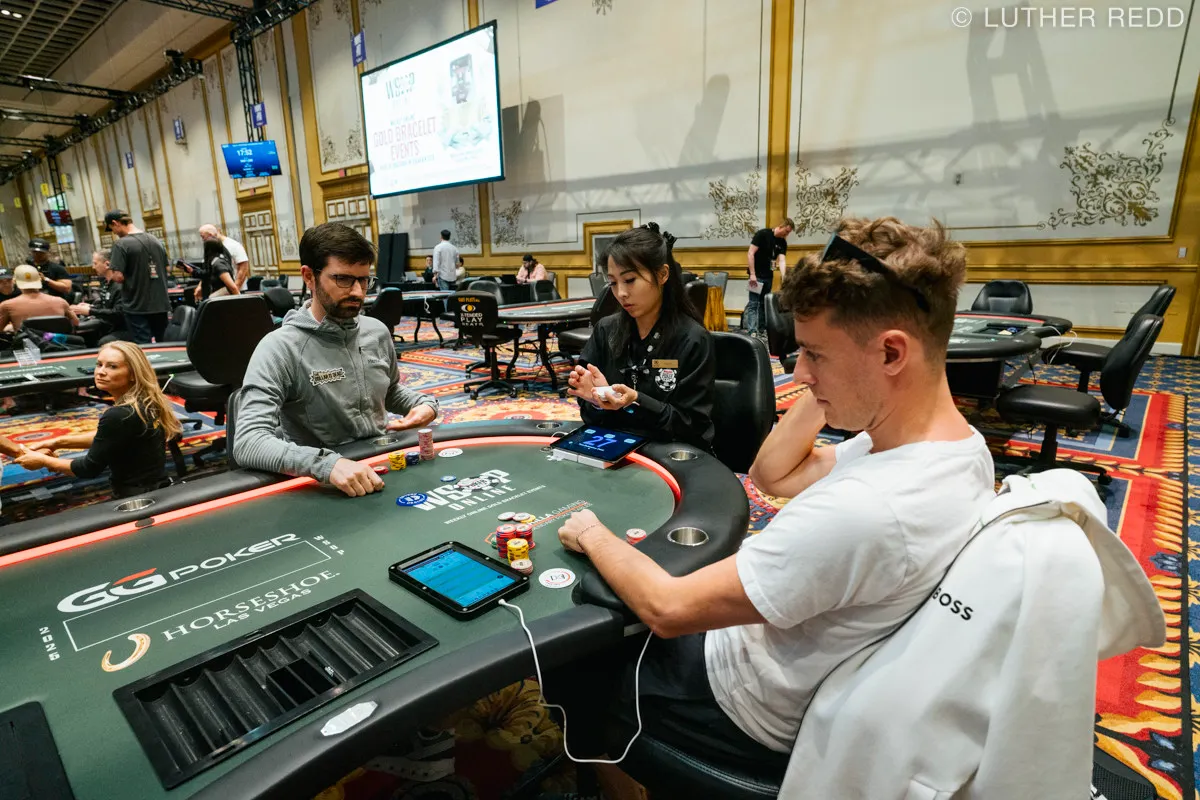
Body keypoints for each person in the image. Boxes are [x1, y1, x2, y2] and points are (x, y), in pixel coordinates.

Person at [554, 217, 994, 767]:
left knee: (577, 653)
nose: (798, 374)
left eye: (814, 355)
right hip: (791, 655)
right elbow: (772, 476)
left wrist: (591, 533)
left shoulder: (866, 509)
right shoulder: (953, 448)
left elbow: (666, 607)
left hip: (737, 697)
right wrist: (835, 380)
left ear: (891, 354)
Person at [235, 222, 440, 498]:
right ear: (309, 276)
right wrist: (326, 464)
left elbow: (388, 391)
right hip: (322, 485)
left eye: (364, 280)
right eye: (343, 279)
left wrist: (424, 404)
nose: (357, 292)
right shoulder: (279, 347)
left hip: (381, 467)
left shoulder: (377, 332)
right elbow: (249, 441)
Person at [567, 223, 715, 450]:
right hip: (613, 446)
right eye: (613, 283)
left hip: (669, 453)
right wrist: (597, 400)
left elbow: (692, 426)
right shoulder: (605, 330)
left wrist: (636, 401)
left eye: (629, 280)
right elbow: (590, 413)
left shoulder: (693, 339)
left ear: (662, 274)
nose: (621, 293)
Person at [16, 341, 181, 497]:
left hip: (135, 497)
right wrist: (58, 442)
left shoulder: (119, 415)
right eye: (99, 364)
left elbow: (88, 469)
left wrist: (43, 461)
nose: (101, 372)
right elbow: (110, 438)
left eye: (112, 366)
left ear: (133, 374)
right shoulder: (147, 401)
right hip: (157, 486)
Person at [106, 210, 170, 344]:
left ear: (115, 223)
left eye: (112, 229)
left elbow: (118, 277)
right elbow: (167, 269)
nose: (114, 233)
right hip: (160, 304)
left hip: (136, 305)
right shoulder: (155, 240)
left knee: (144, 345)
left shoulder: (120, 244)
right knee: (163, 343)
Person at [743, 219, 794, 340]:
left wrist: (784, 276)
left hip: (768, 277)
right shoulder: (762, 234)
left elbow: (782, 260)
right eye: (786, 231)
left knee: (763, 304)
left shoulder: (782, 242)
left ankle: (761, 330)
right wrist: (752, 274)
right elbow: (750, 253)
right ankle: (752, 331)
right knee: (753, 304)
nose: (786, 234)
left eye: (789, 233)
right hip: (756, 276)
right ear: (781, 226)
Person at [0, 265, 78, 332]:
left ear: (15, 281)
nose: (5, 284)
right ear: (40, 280)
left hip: (26, 344)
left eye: (8, 280)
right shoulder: (60, 301)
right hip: (59, 343)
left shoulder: (7, 305)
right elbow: (76, 323)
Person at [71, 250, 127, 343]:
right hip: (110, 325)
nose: (93, 267)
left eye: (95, 263)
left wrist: (90, 311)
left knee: (102, 341)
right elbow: (107, 306)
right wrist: (91, 307)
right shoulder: (105, 283)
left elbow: (118, 313)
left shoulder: (119, 286)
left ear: (107, 264)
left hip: (122, 328)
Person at [199, 224, 251, 291]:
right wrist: (200, 286)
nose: (203, 240)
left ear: (210, 235)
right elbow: (208, 270)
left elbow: (243, 268)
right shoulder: (210, 246)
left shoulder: (234, 245)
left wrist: (235, 288)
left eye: (203, 237)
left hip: (235, 289)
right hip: (218, 289)